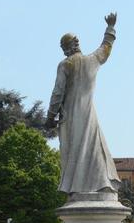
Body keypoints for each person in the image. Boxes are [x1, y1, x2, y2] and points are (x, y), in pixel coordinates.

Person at [46, 13, 121, 195]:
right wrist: (110, 28)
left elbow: (58, 92)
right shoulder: (91, 60)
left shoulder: (65, 65)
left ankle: (76, 188)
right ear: (77, 44)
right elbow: (105, 48)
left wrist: (50, 116)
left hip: (71, 115)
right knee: (93, 147)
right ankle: (100, 182)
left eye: (63, 47)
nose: (64, 51)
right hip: (88, 112)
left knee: (75, 150)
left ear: (66, 48)